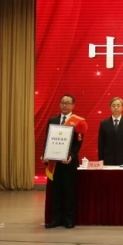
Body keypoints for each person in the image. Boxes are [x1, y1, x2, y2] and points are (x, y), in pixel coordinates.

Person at [43, 94, 87, 229]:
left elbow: (78, 143)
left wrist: (71, 156)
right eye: (62, 102)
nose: (64, 105)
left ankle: (69, 219)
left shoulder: (79, 122)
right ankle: (56, 219)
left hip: (69, 163)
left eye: (67, 103)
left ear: (73, 105)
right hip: (54, 163)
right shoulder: (52, 120)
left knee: (69, 192)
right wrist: (45, 155)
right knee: (55, 192)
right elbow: (47, 140)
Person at [97, 97, 123, 166]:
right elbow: (101, 143)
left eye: (118, 105)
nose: (116, 108)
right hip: (108, 159)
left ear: (122, 107)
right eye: (113, 105)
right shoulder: (104, 123)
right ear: (110, 108)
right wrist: (101, 159)